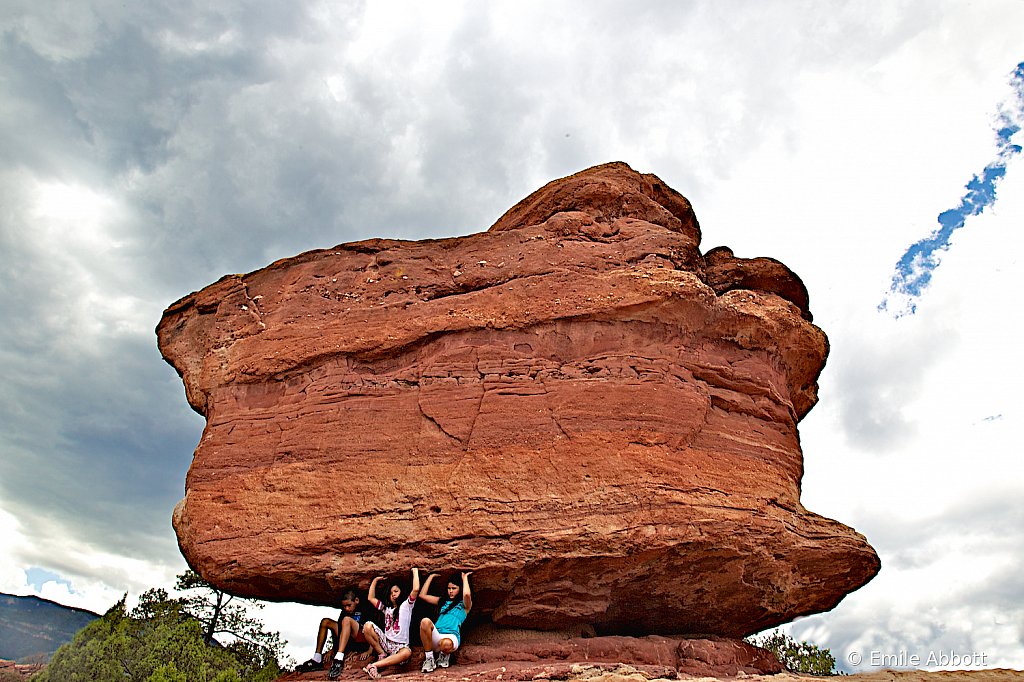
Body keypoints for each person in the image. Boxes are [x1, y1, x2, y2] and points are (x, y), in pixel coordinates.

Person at [295, 587, 373, 678]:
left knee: (347, 620)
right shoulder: (344, 612)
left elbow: (375, 629)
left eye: (349, 605)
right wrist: (333, 649)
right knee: (325, 622)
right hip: (347, 639)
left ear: (356, 600)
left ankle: (338, 660)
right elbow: (339, 630)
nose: (347, 608)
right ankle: (317, 659)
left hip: (360, 639)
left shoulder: (365, 608)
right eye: (344, 606)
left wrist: (370, 650)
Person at [361, 568, 421, 679]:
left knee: (407, 653)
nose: (393, 594)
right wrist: (375, 581)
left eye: (396, 592)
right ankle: (381, 654)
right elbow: (370, 598)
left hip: (400, 646)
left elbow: (416, 589)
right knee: (367, 626)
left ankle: (373, 666)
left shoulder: (406, 605)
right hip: (386, 642)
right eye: (391, 593)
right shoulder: (386, 609)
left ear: (401, 592)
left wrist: (415, 571)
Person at [418, 571, 472, 673]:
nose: (450, 591)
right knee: (425, 621)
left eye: (454, 588)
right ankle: (429, 659)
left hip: (451, 636)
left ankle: (444, 656)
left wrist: (465, 578)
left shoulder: (464, 606)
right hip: (437, 634)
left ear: (459, 589)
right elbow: (422, 595)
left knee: (445, 644)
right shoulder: (443, 602)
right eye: (449, 588)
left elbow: (467, 594)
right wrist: (430, 577)